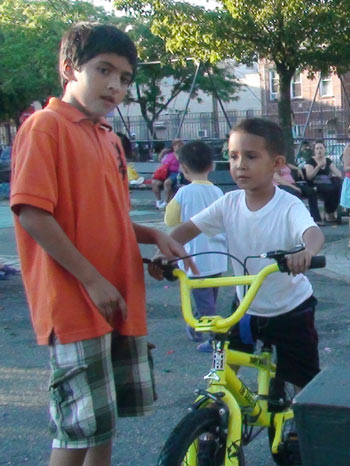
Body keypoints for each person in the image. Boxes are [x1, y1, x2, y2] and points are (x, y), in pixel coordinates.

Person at [9, 23, 189, 466]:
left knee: (103, 427)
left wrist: (154, 236)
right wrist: (90, 279)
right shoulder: (45, 128)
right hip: (74, 302)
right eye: (104, 70)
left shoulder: (108, 137)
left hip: (116, 300)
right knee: (75, 434)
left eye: (125, 78)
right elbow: (32, 212)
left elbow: (107, 218)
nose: (115, 85)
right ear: (69, 68)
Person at [151, 118, 324, 391]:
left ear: (277, 164)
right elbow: (188, 229)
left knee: (302, 381)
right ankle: (218, 415)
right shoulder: (229, 203)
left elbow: (312, 233)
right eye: (233, 157)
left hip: (290, 309)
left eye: (251, 156)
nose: (240, 164)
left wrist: (306, 252)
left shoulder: (288, 205)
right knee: (224, 367)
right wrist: (165, 252)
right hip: (245, 308)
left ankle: (301, 426)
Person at [164, 140, 227, 352]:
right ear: (211, 166)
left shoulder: (184, 193)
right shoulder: (218, 192)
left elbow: (170, 220)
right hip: (218, 255)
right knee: (210, 297)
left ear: (183, 167)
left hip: (194, 257)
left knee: (204, 301)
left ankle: (214, 336)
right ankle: (196, 328)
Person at [304, 140, 343, 223]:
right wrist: (318, 166)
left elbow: (338, 173)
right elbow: (309, 176)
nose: (319, 150)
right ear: (314, 151)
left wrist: (334, 175)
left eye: (321, 148)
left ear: (325, 150)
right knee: (330, 189)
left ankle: (332, 211)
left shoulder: (328, 160)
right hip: (316, 184)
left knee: (338, 187)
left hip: (328, 182)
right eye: (317, 148)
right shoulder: (310, 161)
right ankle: (329, 212)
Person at [152, 138, 183, 209]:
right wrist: (162, 153)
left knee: (167, 183)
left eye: (179, 145)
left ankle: (167, 202)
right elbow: (161, 161)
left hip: (176, 174)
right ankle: (158, 201)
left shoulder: (182, 155)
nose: (177, 147)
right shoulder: (169, 154)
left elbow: (182, 163)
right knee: (154, 183)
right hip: (165, 173)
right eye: (176, 145)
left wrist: (178, 154)